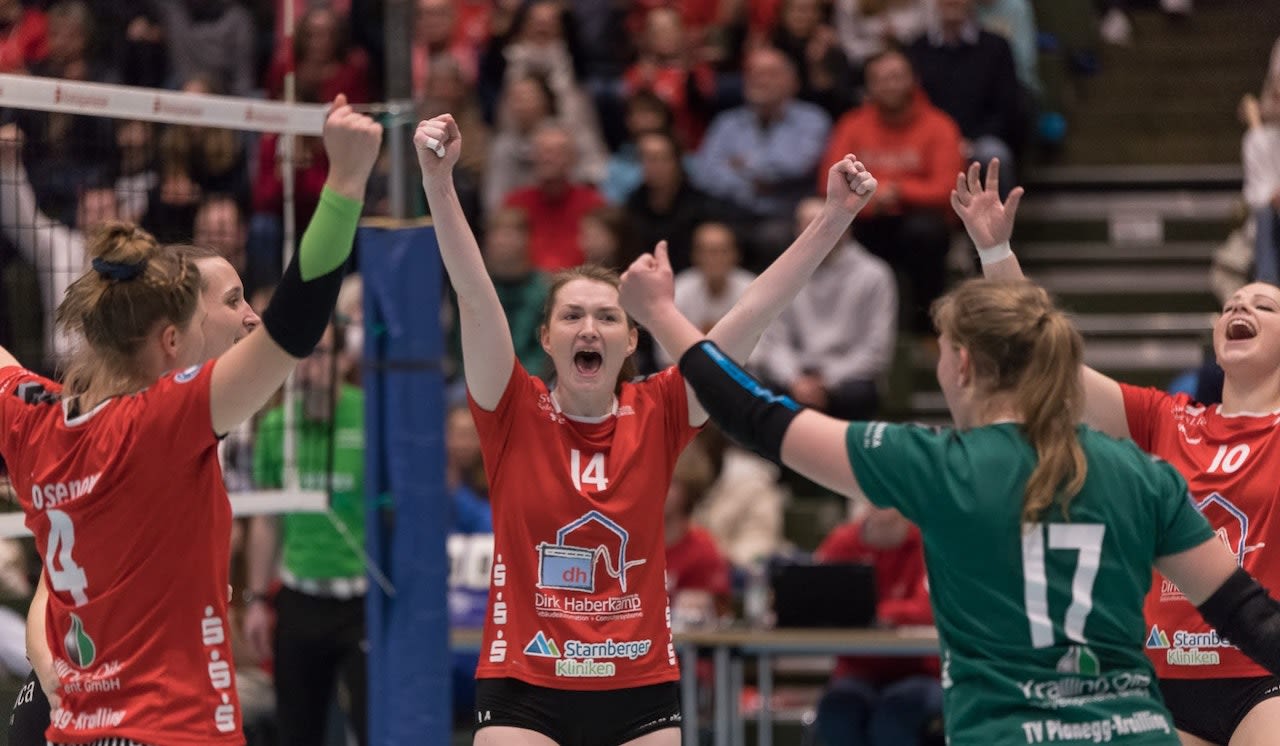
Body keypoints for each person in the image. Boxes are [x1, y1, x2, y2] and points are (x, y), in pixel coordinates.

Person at [618, 256, 1280, 745]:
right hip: (1134, 730)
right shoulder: (1142, 473)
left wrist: (663, 317)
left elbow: (755, 413)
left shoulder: (933, 467)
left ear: (961, 365)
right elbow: (1250, 616)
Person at [413, 112, 878, 746]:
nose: (588, 328)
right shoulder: (511, 408)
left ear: (633, 337)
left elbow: (754, 312)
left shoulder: (660, 409)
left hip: (638, 686)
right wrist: (438, 181)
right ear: (545, 338)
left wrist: (832, 221)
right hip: (525, 681)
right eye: (571, 315)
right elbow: (474, 294)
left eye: (606, 317)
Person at [0, 95, 380, 746]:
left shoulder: (30, 417)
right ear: (173, 341)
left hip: (79, 727)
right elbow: (293, 324)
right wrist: (344, 181)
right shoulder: (163, 419)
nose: (247, 318)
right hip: (171, 728)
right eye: (230, 303)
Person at [953, 160, 1280, 746]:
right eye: (1231, 303)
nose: (1239, 310)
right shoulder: (1167, 418)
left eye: (1263, 306)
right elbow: (1048, 360)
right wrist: (995, 250)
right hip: (1160, 676)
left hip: (1264, 674)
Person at [9, 241, 263, 746]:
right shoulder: (146, 429)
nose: (252, 318)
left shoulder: (99, 419)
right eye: (233, 301)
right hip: (93, 710)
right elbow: (51, 592)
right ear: (178, 328)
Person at [243, 322, 368, 746]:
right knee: (297, 732)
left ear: (343, 360)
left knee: (375, 727)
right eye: (303, 354)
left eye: (321, 353)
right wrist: (258, 600)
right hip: (300, 597)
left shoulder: (370, 417)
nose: (309, 365)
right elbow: (266, 517)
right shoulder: (278, 426)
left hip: (362, 600)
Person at [812, 505, 941, 746]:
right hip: (857, 670)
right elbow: (815, 600)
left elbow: (929, 610)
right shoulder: (842, 542)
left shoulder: (930, 540)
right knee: (838, 712)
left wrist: (871, 613)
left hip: (922, 671)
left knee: (896, 715)